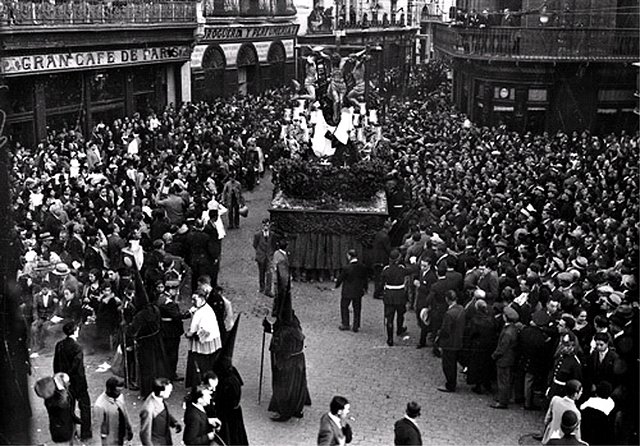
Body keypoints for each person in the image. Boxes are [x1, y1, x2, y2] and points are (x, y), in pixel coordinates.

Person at [266, 277, 312, 422]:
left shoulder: (285, 331)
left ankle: (284, 412)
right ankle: (297, 409)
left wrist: (270, 329)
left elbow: (276, 345)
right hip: (298, 361)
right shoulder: (294, 323)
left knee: (285, 387)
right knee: (297, 386)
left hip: (286, 363)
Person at [211, 315, 249, 446]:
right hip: (235, 412)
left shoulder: (226, 383)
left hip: (226, 415)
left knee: (228, 438)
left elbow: (223, 400)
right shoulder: (233, 374)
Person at [53, 321, 92, 440]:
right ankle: (85, 434)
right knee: (85, 407)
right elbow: (77, 368)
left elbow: (55, 364)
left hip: (64, 382)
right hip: (77, 382)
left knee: (68, 407)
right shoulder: (77, 347)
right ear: (75, 331)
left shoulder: (59, 345)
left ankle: (70, 432)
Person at [128, 294, 170, 397]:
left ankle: (147, 392)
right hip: (157, 342)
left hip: (145, 345)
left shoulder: (140, 315)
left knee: (146, 368)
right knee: (158, 366)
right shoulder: (155, 309)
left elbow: (132, 330)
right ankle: (160, 388)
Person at [185, 291, 222, 389]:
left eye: (195, 299)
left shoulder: (206, 312)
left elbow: (204, 331)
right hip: (198, 340)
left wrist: (190, 334)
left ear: (202, 299)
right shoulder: (199, 308)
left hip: (204, 343)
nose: (193, 302)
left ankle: (202, 385)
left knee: (202, 365)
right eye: (192, 299)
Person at [158, 281, 191, 382]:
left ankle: (165, 373)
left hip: (164, 329)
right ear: (171, 290)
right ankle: (171, 374)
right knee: (172, 354)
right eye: (175, 290)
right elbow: (177, 316)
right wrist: (189, 313)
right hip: (171, 331)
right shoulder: (169, 303)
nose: (177, 292)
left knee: (165, 352)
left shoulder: (161, 298)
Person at [34, 373, 80, 444]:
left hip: (57, 428)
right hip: (64, 429)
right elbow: (65, 403)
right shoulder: (58, 402)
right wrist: (64, 388)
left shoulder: (49, 401)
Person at [490, 306, 520, 408]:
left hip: (504, 359)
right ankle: (505, 397)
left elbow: (502, 348)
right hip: (509, 358)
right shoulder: (513, 328)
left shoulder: (508, 332)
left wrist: (494, 355)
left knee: (503, 381)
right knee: (507, 379)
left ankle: (502, 401)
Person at [436, 290, 465, 393]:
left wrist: (439, 339)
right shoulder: (461, 309)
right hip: (458, 340)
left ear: (447, 299)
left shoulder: (449, 314)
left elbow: (445, 330)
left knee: (448, 365)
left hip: (449, 343)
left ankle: (450, 385)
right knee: (453, 364)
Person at [139, 378, 182, 446]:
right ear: (161, 392)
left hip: (165, 439)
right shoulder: (148, 409)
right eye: (169, 390)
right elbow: (145, 434)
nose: (171, 391)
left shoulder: (158, 398)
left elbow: (164, 411)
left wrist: (174, 422)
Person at [335, 249, 368, 333]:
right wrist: (365, 288)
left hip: (347, 291)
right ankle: (356, 325)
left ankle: (345, 323)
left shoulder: (346, 268)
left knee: (344, 306)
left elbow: (341, 278)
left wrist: (337, 285)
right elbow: (365, 279)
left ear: (349, 256)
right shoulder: (362, 267)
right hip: (358, 290)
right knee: (357, 308)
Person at [381, 249, 409, 346]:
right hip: (400, 294)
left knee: (389, 318)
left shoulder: (386, 269)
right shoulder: (401, 268)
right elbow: (411, 270)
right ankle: (399, 329)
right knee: (400, 313)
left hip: (389, 294)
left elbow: (382, 282)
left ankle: (390, 339)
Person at [94, 377, 133, 446]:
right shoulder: (99, 405)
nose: (119, 393)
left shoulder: (119, 397)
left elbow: (125, 412)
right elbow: (97, 430)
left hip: (121, 436)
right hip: (109, 441)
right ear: (109, 390)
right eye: (117, 391)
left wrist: (129, 429)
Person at [542, 379, 583, 444]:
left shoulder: (555, 399)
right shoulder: (576, 412)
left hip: (550, 436)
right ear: (575, 394)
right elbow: (577, 434)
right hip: (563, 439)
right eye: (580, 391)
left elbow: (547, 419)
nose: (581, 393)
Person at [253, 218, 275, 296]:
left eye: (267, 225)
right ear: (262, 225)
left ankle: (268, 290)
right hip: (261, 257)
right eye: (264, 225)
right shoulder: (258, 235)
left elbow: (273, 245)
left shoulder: (272, 234)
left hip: (269, 256)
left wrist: (270, 253)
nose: (266, 226)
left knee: (269, 273)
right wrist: (260, 252)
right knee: (261, 273)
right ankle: (262, 287)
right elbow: (255, 245)